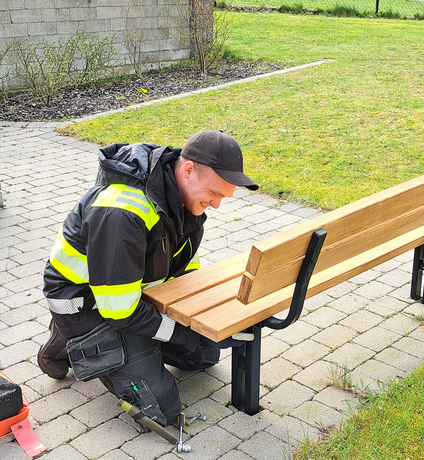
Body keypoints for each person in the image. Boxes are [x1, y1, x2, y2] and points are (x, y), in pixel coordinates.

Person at [37, 130, 258, 427]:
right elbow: (119, 310)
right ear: (188, 170)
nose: (216, 205)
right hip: (87, 305)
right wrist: (184, 334)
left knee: (204, 354)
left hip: (127, 296)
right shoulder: (122, 212)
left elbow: (185, 271)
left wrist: (201, 320)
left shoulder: (186, 203)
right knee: (164, 409)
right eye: (214, 194)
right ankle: (70, 338)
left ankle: (126, 347)